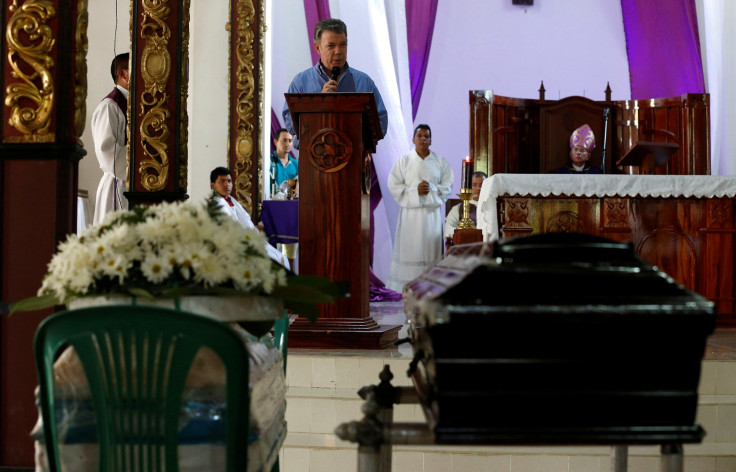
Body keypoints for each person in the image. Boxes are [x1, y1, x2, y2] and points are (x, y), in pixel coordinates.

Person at [282, 18, 388, 141]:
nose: (338, 52)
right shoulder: (301, 82)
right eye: (331, 46)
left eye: (343, 45)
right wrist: (319, 104)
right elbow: (291, 125)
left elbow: (381, 125)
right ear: (317, 48)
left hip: (354, 155)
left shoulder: (364, 82)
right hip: (312, 156)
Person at [387, 125, 453, 292]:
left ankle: (431, 286)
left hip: (431, 215)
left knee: (431, 249)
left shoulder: (440, 162)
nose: (423, 139)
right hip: (411, 215)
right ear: (413, 139)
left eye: (426, 136)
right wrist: (414, 191)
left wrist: (431, 189)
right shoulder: (404, 161)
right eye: (420, 135)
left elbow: (447, 186)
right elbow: (394, 185)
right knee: (411, 249)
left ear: (431, 140)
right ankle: (408, 287)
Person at [210, 167, 290, 270]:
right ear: (213, 185)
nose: (227, 185)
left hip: (248, 239)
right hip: (234, 245)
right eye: (222, 181)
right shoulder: (214, 203)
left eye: (229, 181)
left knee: (280, 257)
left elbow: (246, 221)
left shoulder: (231, 200)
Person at [92, 53, 130, 224]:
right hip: (119, 185)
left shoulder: (135, 103)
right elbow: (107, 151)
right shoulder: (110, 106)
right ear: (122, 73)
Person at [444, 171, 487, 249]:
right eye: (474, 185)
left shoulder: (494, 207)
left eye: (482, 185)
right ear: (469, 187)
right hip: (465, 247)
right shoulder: (459, 208)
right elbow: (448, 227)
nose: (478, 188)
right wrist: (464, 234)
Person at [270, 128, 298, 195]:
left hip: (291, 203)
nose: (287, 144)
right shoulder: (268, 162)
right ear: (275, 142)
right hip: (271, 202)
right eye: (284, 140)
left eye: (290, 141)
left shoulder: (297, 164)